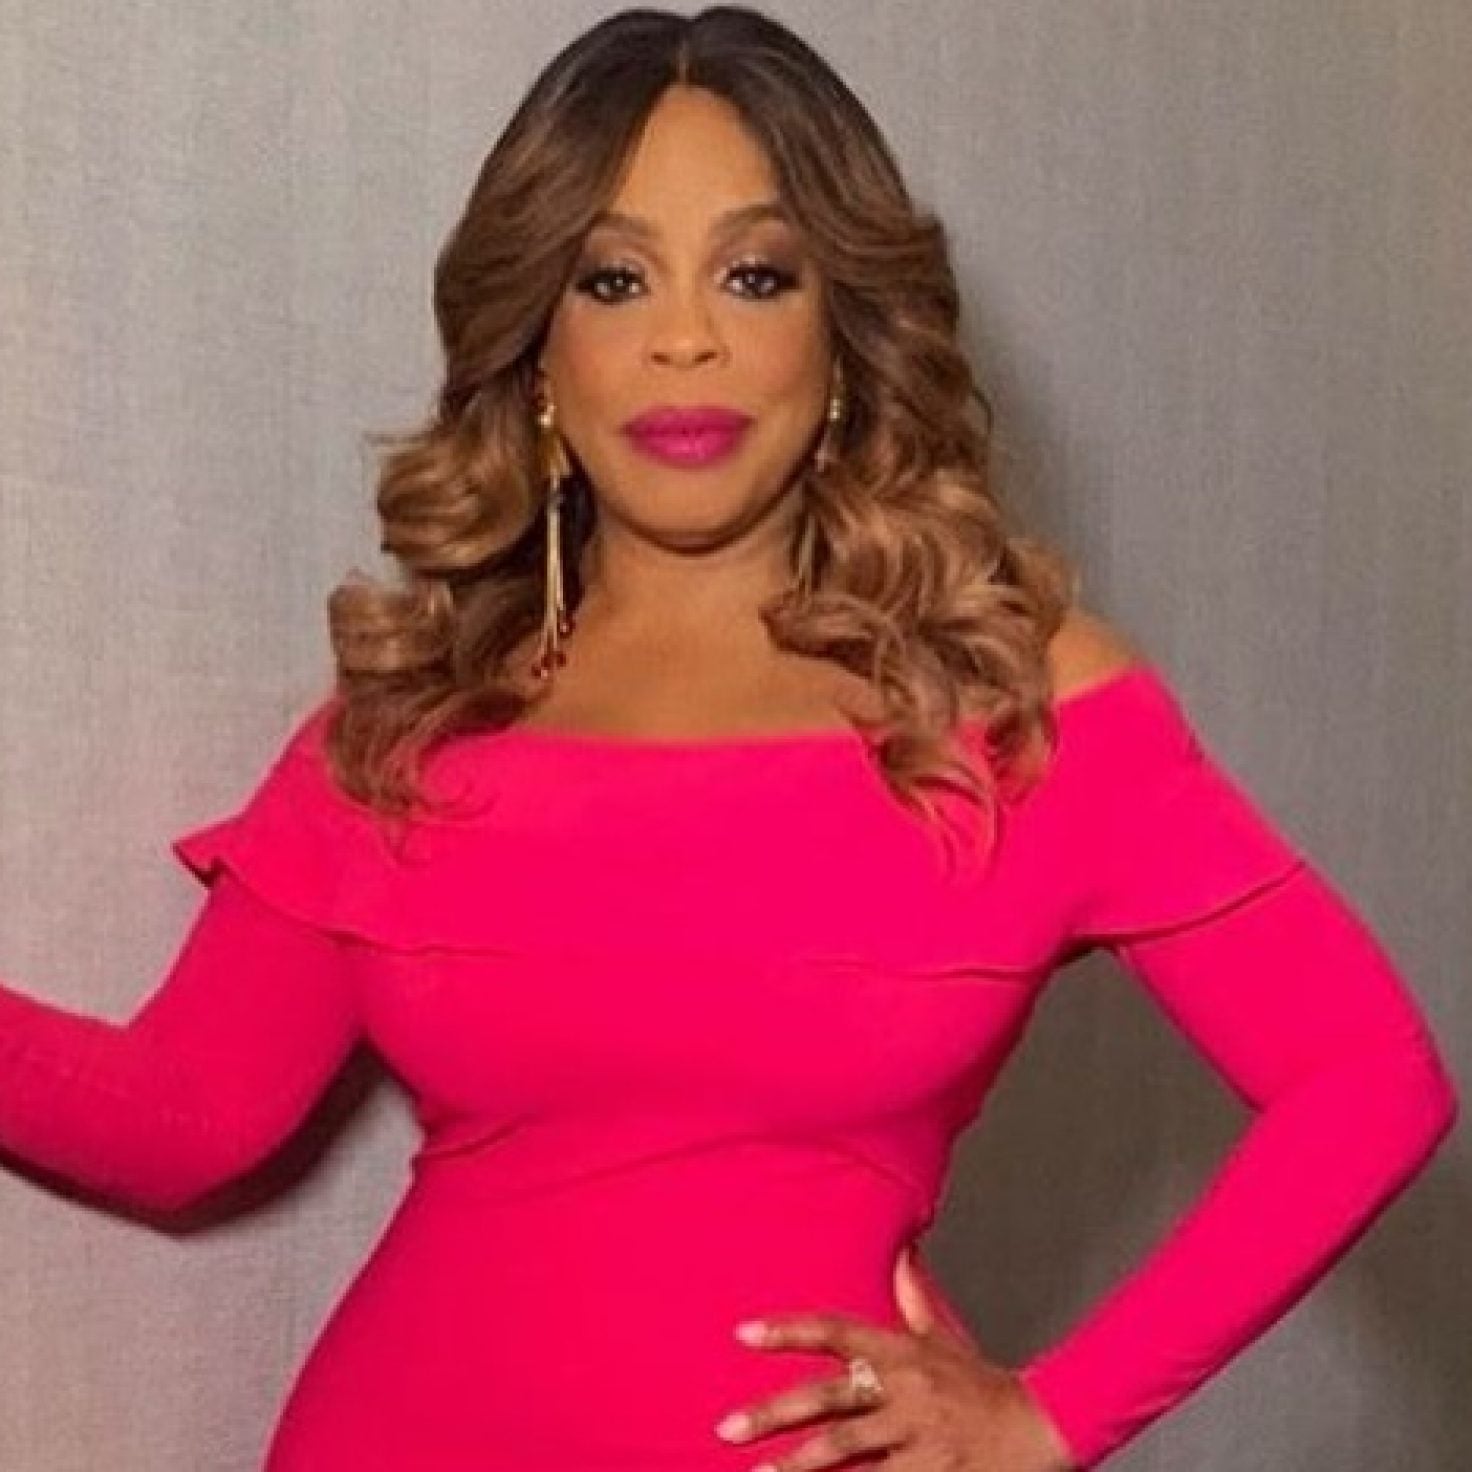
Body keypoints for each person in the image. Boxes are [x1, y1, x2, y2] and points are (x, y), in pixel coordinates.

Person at [0, 7, 1458, 1470]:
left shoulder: (1017, 697)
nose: (684, 336)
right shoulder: (419, 708)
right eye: (613, 278)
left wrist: (1051, 1414)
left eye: (756, 275)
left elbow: (1365, 1078)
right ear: (541, 350)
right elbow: (184, 1114)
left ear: (843, 332)